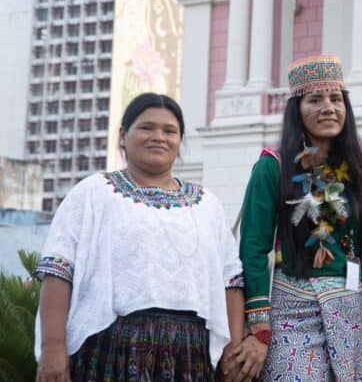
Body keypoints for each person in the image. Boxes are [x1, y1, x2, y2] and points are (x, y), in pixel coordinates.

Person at [34, 93, 245, 381]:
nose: (159, 137)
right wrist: (52, 350)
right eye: (147, 127)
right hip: (110, 350)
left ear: (180, 140)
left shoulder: (208, 205)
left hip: (189, 357)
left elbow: (230, 281)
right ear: (123, 135)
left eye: (169, 131)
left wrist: (232, 353)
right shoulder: (93, 193)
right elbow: (58, 271)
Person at [234, 54, 362, 381]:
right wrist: (259, 326)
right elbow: (253, 248)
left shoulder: (358, 171)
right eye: (315, 99)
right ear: (296, 110)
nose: (328, 107)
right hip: (292, 309)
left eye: (336, 99)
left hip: (351, 311)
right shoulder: (273, 166)